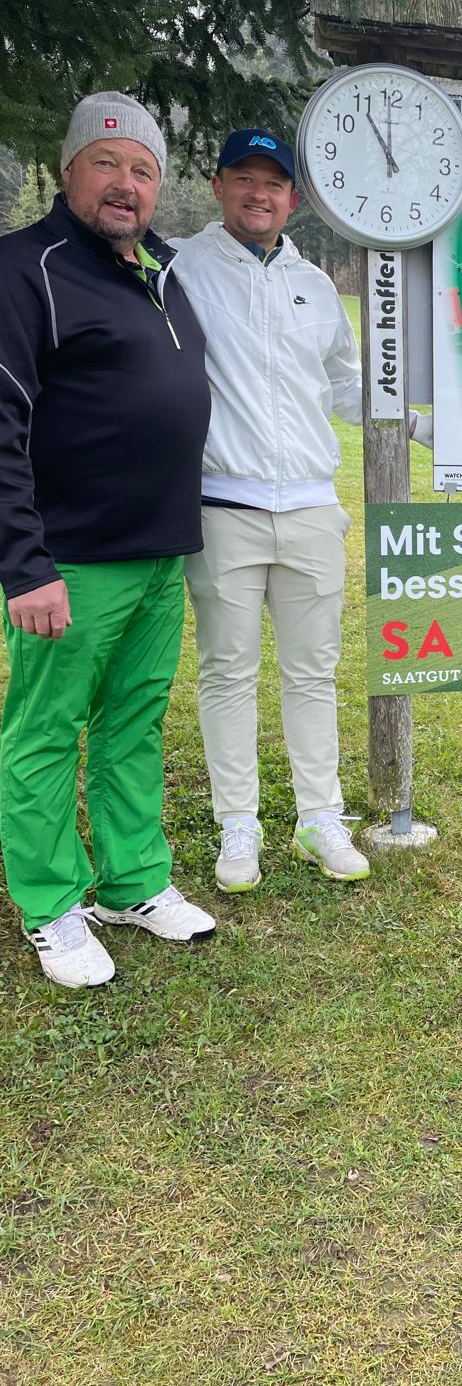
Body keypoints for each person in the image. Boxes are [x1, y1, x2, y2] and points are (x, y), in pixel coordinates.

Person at [171, 129, 430, 893]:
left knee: (313, 673)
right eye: (244, 178)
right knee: (228, 672)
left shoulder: (314, 284)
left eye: (274, 183)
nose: (259, 194)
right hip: (225, 504)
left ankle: (320, 817)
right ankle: (238, 825)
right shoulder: (181, 267)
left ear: (293, 199)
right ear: (219, 186)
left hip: (312, 507)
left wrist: (416, 424)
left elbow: (347, 385)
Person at [0, 92, 217, 988]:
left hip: (161, 552)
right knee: (46, 733)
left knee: (133, 723)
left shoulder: (158, 268)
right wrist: (24, 564)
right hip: (71, 560)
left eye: (142, 170)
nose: (125, 184)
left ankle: (133, 882)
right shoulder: (27, 268)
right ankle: (51, 904)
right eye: (107, 163)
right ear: (69, 171)